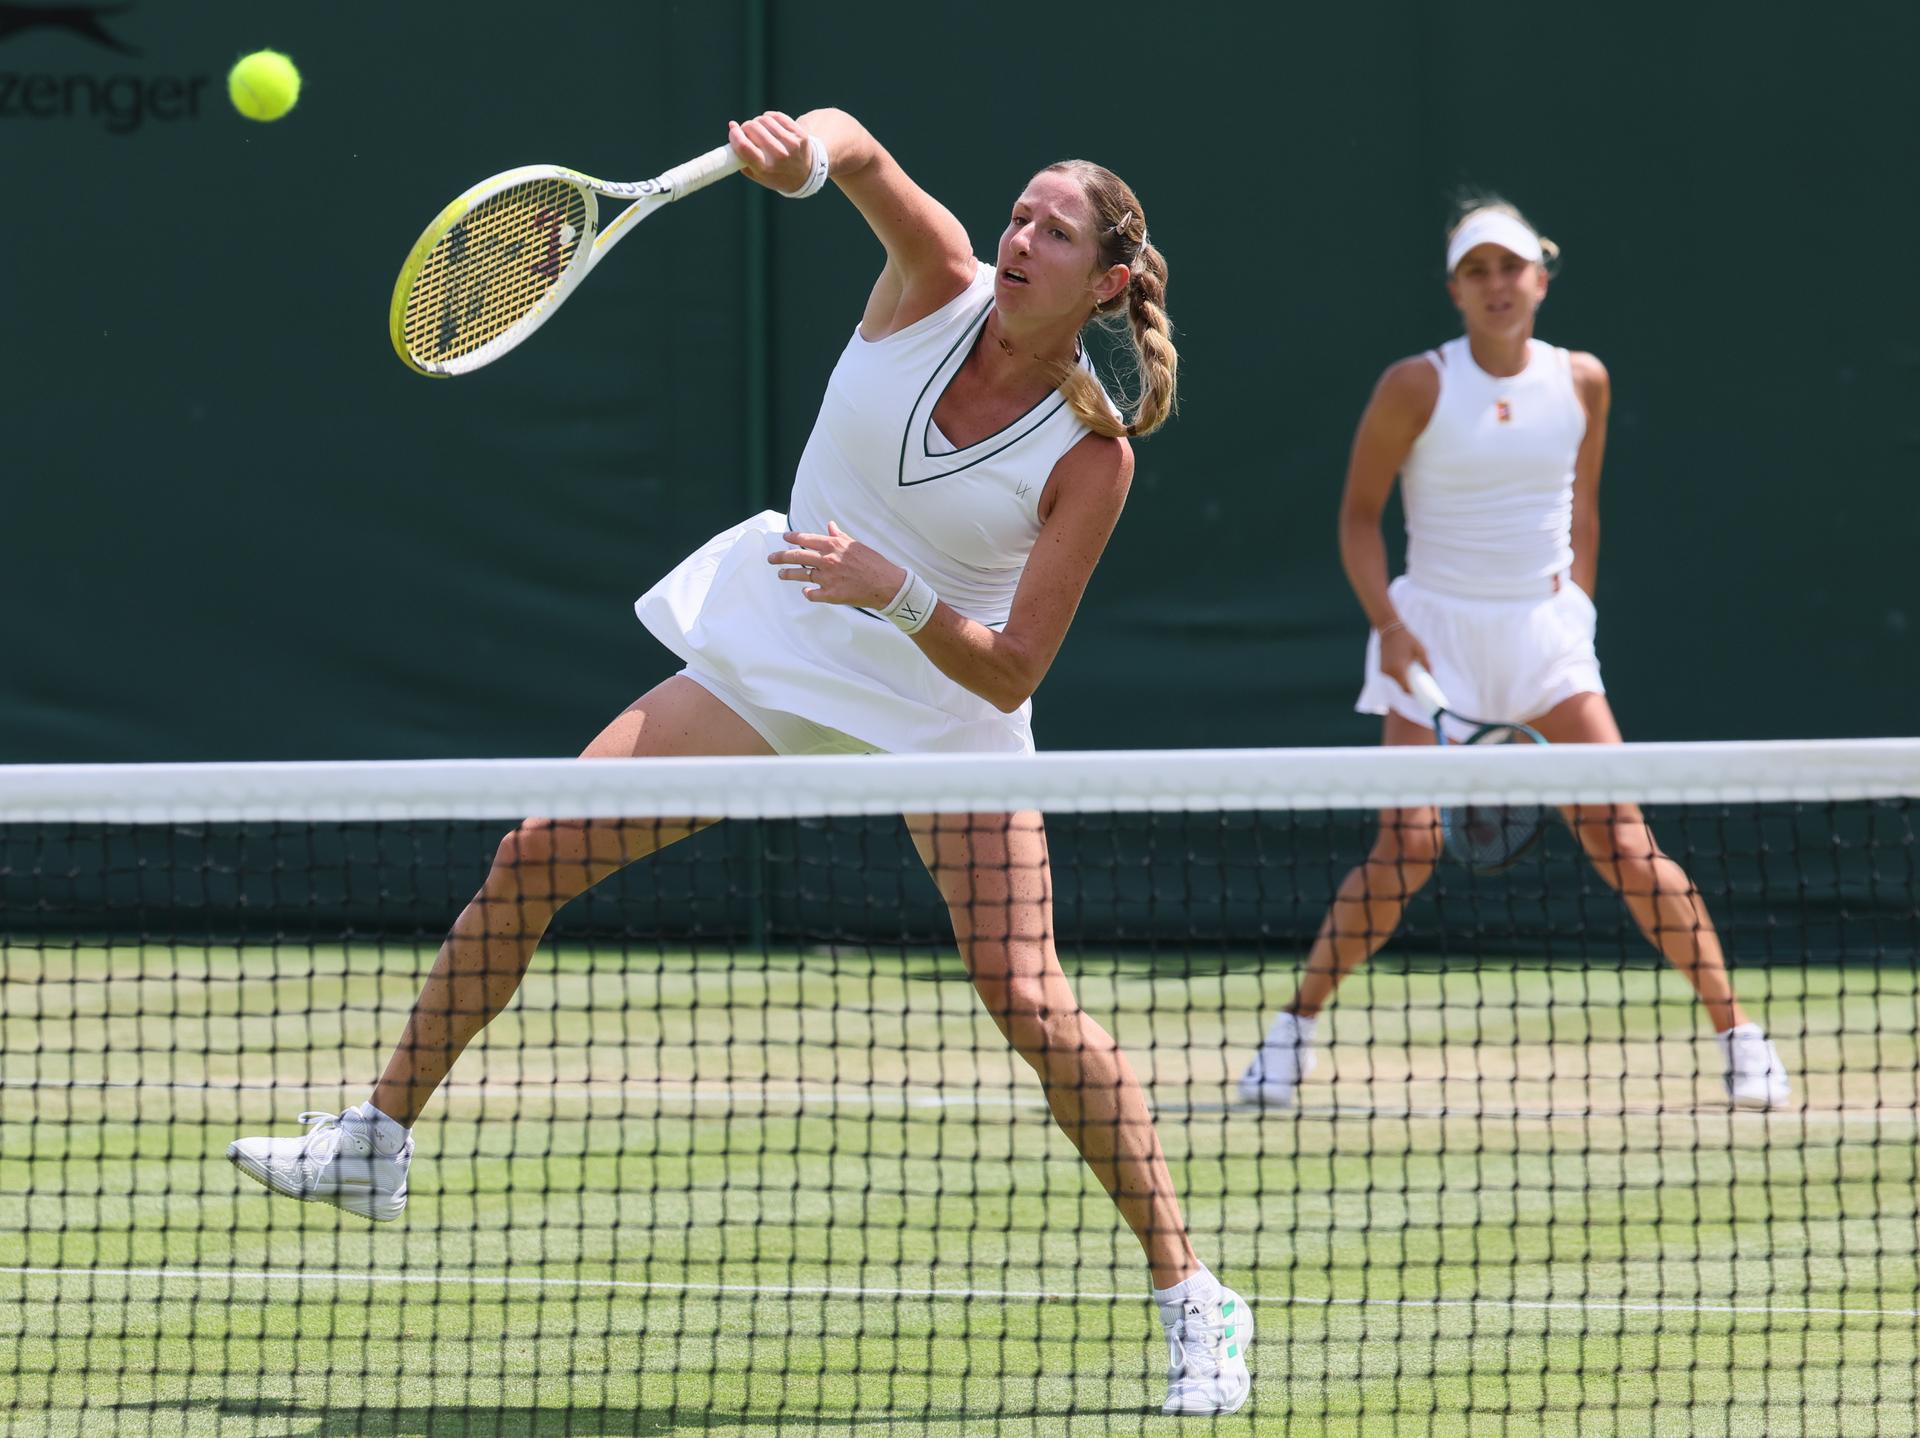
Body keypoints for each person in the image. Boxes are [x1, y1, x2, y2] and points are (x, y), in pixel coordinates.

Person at [228, 109, 1251, 1416]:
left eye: (1053, 230)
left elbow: (1010, 669)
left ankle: (1190, 1290)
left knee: (1028, 1000)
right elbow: (859, 150)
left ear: (1106, 281)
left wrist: (894, 594)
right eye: (1018, 215)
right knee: (538, 852)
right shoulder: (930, 280)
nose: (1018, 238)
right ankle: (375, 1137)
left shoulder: (1090, 457)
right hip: (782, 637)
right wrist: (803, 153)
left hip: (941, 700)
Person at [1239, 199, 1791, 1114]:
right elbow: (1358, 518)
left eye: (1511, 267)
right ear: (1456, 289)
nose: (1497, 285)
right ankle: (1293, 1028)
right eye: (1476, 271)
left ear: (1540, 275)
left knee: (1626, 843)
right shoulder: (1415, 385)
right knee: (1405, 848)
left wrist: (1575, 610)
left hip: (1545, 640)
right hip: (1431, 640)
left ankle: (1739, 1034)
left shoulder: (1583, 381)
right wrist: (1388, 620)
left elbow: (1584, 511)